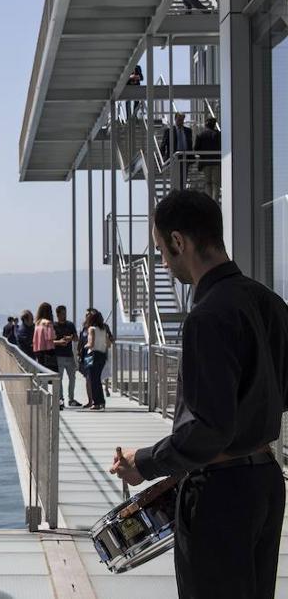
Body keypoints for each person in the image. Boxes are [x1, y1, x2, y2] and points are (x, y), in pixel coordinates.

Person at [110, 191, 288, 598]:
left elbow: (208, 429)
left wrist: (145, 462)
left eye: (161, 250)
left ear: (179, 242)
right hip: (264, 481)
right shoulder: (270, 303)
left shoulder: (207, 316)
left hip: (219, 492)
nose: (164, 262)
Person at [82, 309, 111, 411]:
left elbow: (91, 344)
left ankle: (96, 403)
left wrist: (84, 346)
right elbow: (109, 344)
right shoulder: (104, 329)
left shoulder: (91, 329)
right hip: (102, 355)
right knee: (97, 379)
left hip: (92, 355)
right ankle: (101, 401)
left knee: (92, 380)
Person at [53, 305, 80, 407]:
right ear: (58, 314)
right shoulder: (53, 326)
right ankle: (61, 400)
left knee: (72, 378)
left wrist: (71, 338)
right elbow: (50, 341)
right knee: (59, 379)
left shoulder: (70, 325)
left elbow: (76, 338)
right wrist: (59, 342)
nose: (64, 315)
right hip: (58, 356)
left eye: (65, 313)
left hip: (69, 356)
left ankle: (71, 399)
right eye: (62, 313)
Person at [160, 112, 194, 188]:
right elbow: (163, 145)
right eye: (179, 120)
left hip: (185, 157)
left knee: (183, 179)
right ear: (175, 119)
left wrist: (191, 156)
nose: (180, 122)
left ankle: (182, 193)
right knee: (175, 179)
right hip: (174, 157)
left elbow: (190, 144)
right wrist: (162, 158)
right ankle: (176, 192)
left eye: (182, 120)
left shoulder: (188, 131)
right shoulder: (169, 131)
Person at [193, 117, 221, 201]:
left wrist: (203, 154)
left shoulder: (201, 135)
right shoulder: (219, 134)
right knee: (216, 183)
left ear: (206, 124)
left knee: (208, 182)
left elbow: (196, 149)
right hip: (216, 162)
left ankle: (209, 201)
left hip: (205, 162)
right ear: (214, 124)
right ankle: (215, 201)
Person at [31, 302, 57, 374]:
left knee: (41, 371)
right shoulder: (48, 323)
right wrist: (56, 336)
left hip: (38, 351)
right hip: (48, 351)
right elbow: (50, 337)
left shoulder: (37, 323)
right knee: (51, 374)